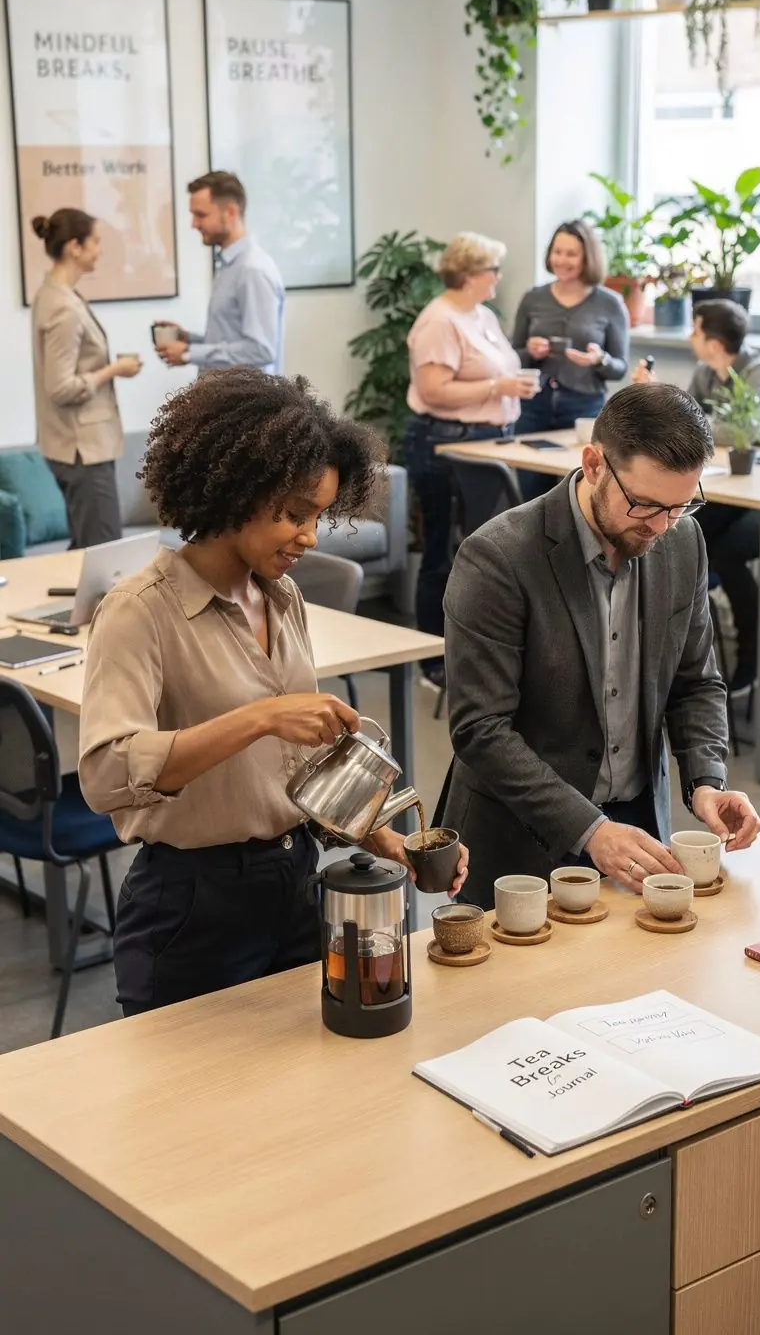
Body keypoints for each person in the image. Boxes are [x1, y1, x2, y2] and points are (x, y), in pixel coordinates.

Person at [78, 369, 468, 1015]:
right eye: (294, 514)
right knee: (196, 1107)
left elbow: (293, 783)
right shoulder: (139, 612)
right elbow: (104, 775)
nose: (310, 537)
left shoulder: (282, 596)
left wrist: (385, 841)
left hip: (294, 885)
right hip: (190, 905)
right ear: (234, 490)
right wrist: (258, 718)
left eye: (318, 515)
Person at [441, 383, 760, 911]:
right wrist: (589, 829)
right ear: (593, 465)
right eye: (644, 506)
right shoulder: (498, 558)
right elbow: (481, 729)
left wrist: (706, 779)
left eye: (682, 506)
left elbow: (696, 681)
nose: (661, 527)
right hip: (522, 845)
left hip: (638, 828)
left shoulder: (683, 543)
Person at [634, 299, 760, 698]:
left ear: (713, 341)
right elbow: (688, 426)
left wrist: (674, 409)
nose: (690, 338)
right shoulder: (704, 372)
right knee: (682, 531)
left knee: (726, 551)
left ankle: (752, 665)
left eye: (695, 330)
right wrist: (660, 401)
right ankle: (678, 665)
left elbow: (738, 432)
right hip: (737, 492)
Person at [403, 232, 538, 691]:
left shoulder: (481, 315)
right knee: (444, 548)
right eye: (492, 271)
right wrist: (496, 389)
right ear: (468, 275)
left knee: (483, 551)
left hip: (487, 443)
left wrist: (513, 383)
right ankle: (431, 658)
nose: (498, 279)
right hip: (444, 444)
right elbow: (434, 391)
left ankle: (479, 651)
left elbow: (496, 370)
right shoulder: (439, 321)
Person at [30, 209, 142, 548]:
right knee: (105, 555)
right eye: (95, 241)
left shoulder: (52, 294)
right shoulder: (63, 307)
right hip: (83, 450)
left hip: (71, 445)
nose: (99, 250)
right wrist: (113, 370)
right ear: (74, 247)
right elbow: (61, 388)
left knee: (85, 550)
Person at [510, 220, 629, 499]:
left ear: (588, 257)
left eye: (571, 254)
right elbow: (512, 355)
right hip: (533, 407)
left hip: (584, 409)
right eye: (557, 252)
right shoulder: (533, 298)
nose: (562, 260)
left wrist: (599, 360)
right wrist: (530, 352)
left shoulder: (609, 303)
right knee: (530, 495)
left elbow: (620, 367)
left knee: (580, 494)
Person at [158, 171, 284, 375]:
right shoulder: (228, 266)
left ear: (231, 213)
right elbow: (232, 340)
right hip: (226, 398)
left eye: (201, 215)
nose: (194, 224)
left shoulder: (252, 270)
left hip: (247, 402)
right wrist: (189, 339)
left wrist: (189, 353)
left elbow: (261, 350)